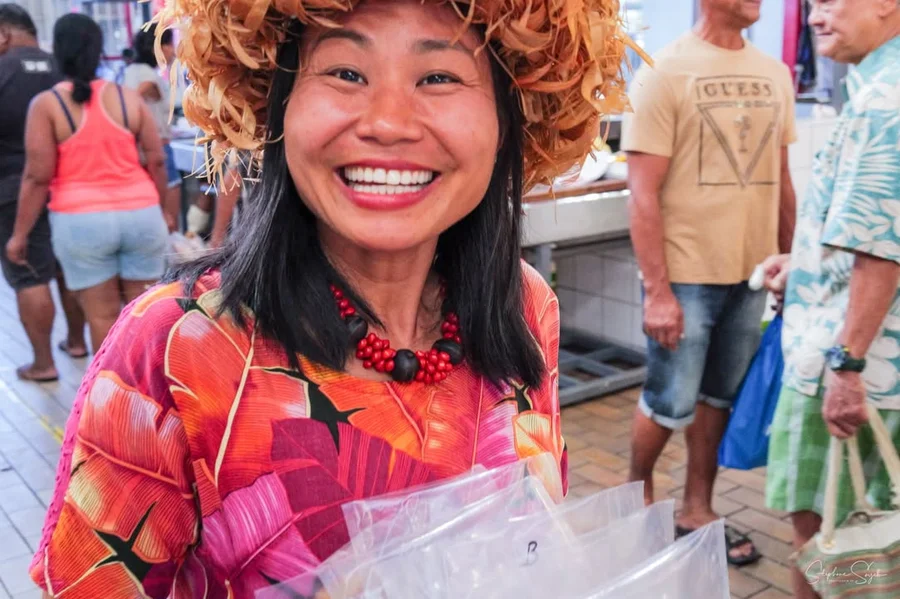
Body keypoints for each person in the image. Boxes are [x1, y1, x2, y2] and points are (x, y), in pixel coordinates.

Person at [26, 0, 634, 594]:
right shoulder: (175, 350)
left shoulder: (525, 304)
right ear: (281, 106)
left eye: (438, 77)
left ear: (505, 120)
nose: (388, 122)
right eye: (346, 72)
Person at [621, 0, 797, 566]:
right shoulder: (664, 70)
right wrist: (657, 291)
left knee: (719, 395)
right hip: (685, 275)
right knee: (668, 398)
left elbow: (781, 179)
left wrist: (790, 260)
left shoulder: (775, 73)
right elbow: (642, 193)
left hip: (751, 274)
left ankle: (697, 507)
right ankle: (636, 499)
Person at [762, 1, 900, 597]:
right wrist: (805, 264)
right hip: (868, 352)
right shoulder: (876, 85)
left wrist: (847, 366)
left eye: (828, 1)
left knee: (828, 539)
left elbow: (883, 250)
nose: (815, 18)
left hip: (853, 365)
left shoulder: (885, 99)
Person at [6, 14, 173, 355]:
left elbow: (37, 177)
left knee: (103, 317)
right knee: (144, 315)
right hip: (141, 215)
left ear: (59, 51)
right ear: (99, 50)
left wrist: (20, 234)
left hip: (81, 223)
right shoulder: (128, 98)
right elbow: (156, 159)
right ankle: (150, 385)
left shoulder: (48, 105)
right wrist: (164, 211)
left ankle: (112, 388)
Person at [0, 3, 86, 381]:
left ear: (3, 33)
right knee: (68, 269)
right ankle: (77, 342)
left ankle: (43, 363)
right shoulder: (62, 68)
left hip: (13, 191)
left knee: (29, 274)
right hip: (70, 187)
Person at [124, 26, 181, 228]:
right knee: (169, 218)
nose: (173, 50)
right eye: (170, 44)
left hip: (137, 150)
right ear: (160, 47)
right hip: (158, 149)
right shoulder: (148, 75)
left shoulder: (131, 71)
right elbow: (133, 100)